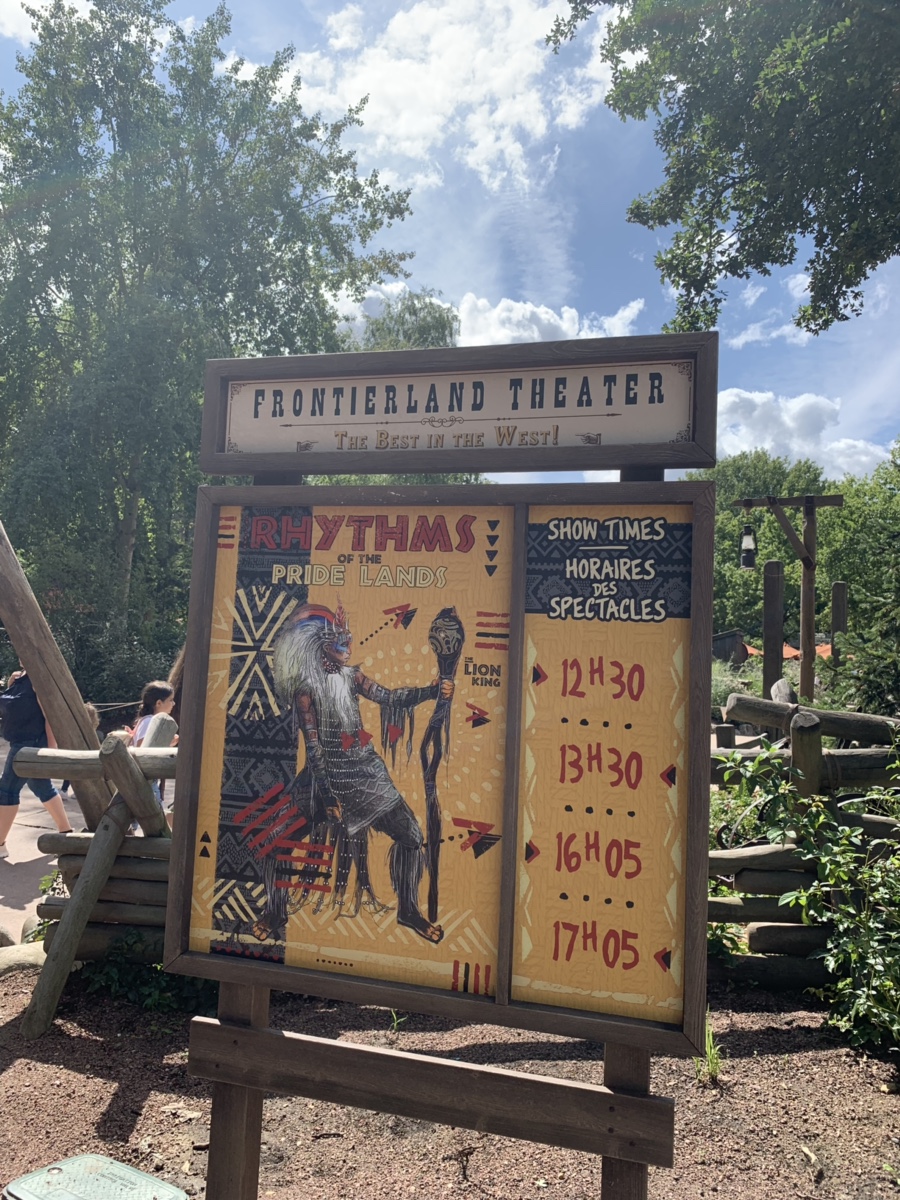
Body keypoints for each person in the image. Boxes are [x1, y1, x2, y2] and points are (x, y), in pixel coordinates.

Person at [262, 601, 453, 944]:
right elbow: (314, 747)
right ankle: (274, 912)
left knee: (411, 836)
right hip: (323, 780)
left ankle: (409, 910)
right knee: (275, 840)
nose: (347, 645)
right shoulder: (306, 690)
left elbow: (390, 698)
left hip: (365, 777)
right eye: (339, 639)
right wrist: (327, 796)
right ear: (320, 644)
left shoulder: (352, 677)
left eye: (348, 638)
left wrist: (432, 690)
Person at [0, 665, 73, 859]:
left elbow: (50, 716)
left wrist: (51, 748)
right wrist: (11, 684)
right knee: (41, 786)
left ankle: (0, 843)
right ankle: (66, 834)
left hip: (30, 744)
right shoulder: (18, 678)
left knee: (6, 790)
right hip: (19, 741)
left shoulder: (38, 679)